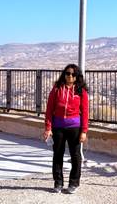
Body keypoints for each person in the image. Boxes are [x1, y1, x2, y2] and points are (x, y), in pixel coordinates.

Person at [43, 64, 89, 194]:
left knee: (75, 156)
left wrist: (84, 131)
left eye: (73, 74)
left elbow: (85, 112)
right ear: (64, 74)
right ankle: (58, 182)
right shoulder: (57, 89)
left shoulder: (81, 91)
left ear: (77, 77)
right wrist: (48, 128)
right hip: (58, 127)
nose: (70, 76)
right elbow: (49, 109)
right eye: (68, 73)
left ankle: (74, 182)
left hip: (74, 127)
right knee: (57, 155)